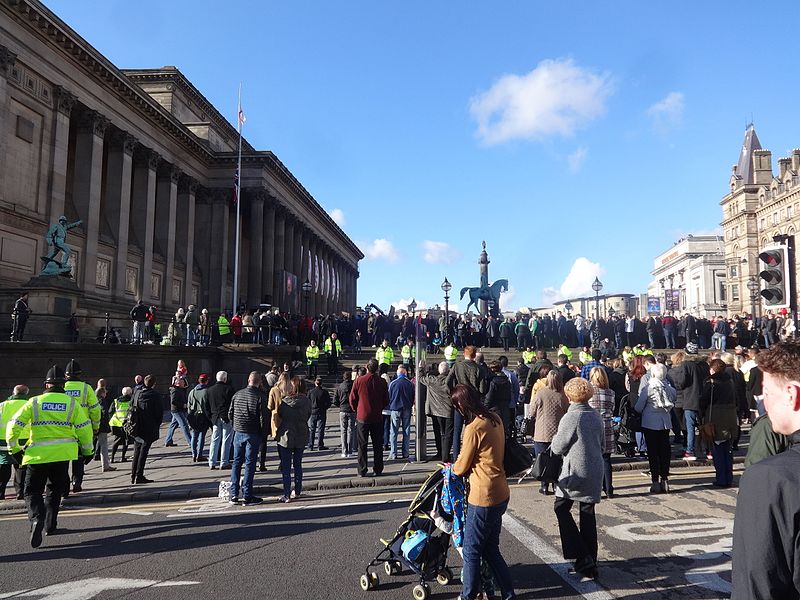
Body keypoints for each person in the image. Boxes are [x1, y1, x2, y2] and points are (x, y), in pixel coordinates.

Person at [732, 340, 800, 598]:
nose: (764, 402)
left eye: (767, 393)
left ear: (792, 395)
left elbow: (757, 586)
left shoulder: (771, 479)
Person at [7, 366, 93, 546]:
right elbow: (84, 429)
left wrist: (14, 449)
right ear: (63, 385)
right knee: (54, 491)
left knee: (32, 491)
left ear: (46, 384)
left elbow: (13, 427)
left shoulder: (34, 402)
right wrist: (87, 451)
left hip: (37, 456)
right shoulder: (71, 403)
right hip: (62, 456)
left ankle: (36, 519)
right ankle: (50, 525)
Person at [450, 384, 516, 600]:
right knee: (491, 549)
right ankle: (508, 594)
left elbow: (460, 467)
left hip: (483, 496)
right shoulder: (494, 419)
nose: (457, 409)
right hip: (501, 491)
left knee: (471, 551)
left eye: (456, 405)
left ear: (462, 404)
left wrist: (450, 467)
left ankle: (468, 596)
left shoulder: (473, 428)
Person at [550, 377, 604, 580]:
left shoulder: (572, 416)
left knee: (561, 507)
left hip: (576, 470)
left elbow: (558, 447)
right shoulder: (594, 414)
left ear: (569, 395)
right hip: (594, 468)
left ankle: (581, 554)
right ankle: (590, 562)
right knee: (588, 514)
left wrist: (555, 439)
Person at [634, 363, 677, 493]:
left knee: (653, 453)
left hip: (650, 423)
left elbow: (638, 407)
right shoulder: (669, 389)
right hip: (664, 423)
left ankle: (655, 482)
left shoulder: (648, 388)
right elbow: (674, 399)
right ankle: (665, 480)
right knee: (664, 452)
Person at [228, 371, 267, 505]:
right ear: (259, 382)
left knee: (236, 462)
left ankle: (234, 494)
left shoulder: (237, 394)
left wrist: (236, 426)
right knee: (250, 464)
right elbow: (263, 418)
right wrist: (263, 435)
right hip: (253, 433)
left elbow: (230, 413)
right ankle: (247, 495)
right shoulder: (260, 396)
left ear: (248, 380)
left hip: (238, 432)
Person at [700, 359, 739, 487]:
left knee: (717, 449)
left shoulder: (711, 382)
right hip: (731, 416)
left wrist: (700, 414)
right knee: (728, 449)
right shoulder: (731, 381)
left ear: (712, 369)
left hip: (716, 417)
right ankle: (728, 477)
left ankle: (721, 478)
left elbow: (703, 401)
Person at [63, 359, 100, 494]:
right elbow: (95, 409)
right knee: (79, 458)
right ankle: (77, 482)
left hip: (65, 429)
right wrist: (95, 426)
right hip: (82, 429)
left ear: (66, 375)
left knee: (64, 460)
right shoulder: (86, 388)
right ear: (80, 374)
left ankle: (65, 485)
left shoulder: (63, 387)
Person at [531, 371, 570, 495]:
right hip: (557, 431)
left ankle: (544, 486)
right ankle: (555, 484)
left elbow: (532, 412)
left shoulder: (541, 393)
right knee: (556, 459)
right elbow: (567, 411)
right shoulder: (562, 395)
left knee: (542, 459)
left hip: (541, 432)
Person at [349, 358, 389, 477]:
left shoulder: (359, 381)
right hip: (377, 416)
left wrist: (357, 409)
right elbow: (386, 399)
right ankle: (378, 469)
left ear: (367, 367)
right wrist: (379, 407)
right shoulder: (382, 381)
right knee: (377, 444)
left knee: (362, 445)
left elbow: (352, 398)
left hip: (362, 416)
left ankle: (362, 469)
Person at [446, 345, 486, 461]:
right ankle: (471, 453)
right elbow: (483, 389)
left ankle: (456, 457)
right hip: (473, 402)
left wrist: (452, 394)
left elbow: (448, 382)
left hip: (459, 401)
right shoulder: (479, 369)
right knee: (472, 429)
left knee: (457, 431)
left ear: (464, 354)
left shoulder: (457, 366)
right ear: (474, 355)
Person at [276, 376, 312, 503]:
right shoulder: (307, 401)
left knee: (286, 466)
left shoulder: (285, 402)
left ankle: (286, 494)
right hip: (301, 433)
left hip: (286, 435)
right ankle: (297, 491)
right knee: (298, 464)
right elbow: (308, 415)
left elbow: (280, 414)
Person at [129, 375, 162, 484]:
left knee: (137, 450)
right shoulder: (155, 395)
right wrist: (157, 424)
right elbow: (159, 413)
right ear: (153, 384)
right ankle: (139, 476)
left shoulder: (137, 393)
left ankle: (133, 475)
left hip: (137, 426)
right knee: (144, 451)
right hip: (149, 426)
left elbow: (131, 407)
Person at [588, 367, 615, 498]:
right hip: (607, 425)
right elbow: (612, 408)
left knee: (593, 459)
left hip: (593, 426)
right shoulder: (611, 393)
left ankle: (596, 488)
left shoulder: (589, 393)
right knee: (606, 459)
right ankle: (609, 489)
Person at [0, 385, 30, 500]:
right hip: (24, 442)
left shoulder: (2, 406)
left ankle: (1, 492)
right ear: (26, 393)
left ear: (14, 392)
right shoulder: (30, 405)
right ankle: (20, 492)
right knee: (21, 467)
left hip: (3, 442)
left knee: (3, 467)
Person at [420, 361, 453, 462]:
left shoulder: (433, 380)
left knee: (438, 433)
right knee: (448, 434)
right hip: (449, 411)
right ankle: (445, 455)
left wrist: (421, 368)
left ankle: (440, 452)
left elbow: (421, 378)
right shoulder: (451, 380)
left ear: (439, 370)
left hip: (436, 411)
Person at [206, 371, 234, 470]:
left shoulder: (210, 390)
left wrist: (211, 417)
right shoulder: (229, 389)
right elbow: (232, 405)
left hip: (215, 417)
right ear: (225, 379)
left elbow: (207, 406)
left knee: (215, 439)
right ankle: (224, 462)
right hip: (226, 417)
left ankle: (212, 462)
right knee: (226, 440)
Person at [388, 365, 414, 460]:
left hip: (395, 408)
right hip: (406, 408)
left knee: (394, 431)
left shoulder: (393, 383)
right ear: (405, 373)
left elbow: (389, 396)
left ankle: (393, 453)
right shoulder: (410, 384)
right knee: (406, 430)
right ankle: (405, 452)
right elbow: (412, 396)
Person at [187, 374, 212, 462]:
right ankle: (199, 455)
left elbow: (189, 406)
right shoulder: (207, 391)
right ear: (206, 381)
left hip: (193, 416)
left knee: (194, 436)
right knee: (202, 436)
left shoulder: (192, 391)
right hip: (203, 416)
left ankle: (193, 454)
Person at [484, 360, 513, 435]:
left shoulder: (492, 382)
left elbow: (489, 397)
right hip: (505, 408)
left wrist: (485, 408)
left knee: (494, 433)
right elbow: (509, 395)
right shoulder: (507, 380)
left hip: (494, 409)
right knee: (503, 431)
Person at [93, 378, 116, 472]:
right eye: (105, 392)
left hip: (93, 425)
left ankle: (81, 467)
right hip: (101, 426)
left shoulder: (93, 399)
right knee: (104, 446)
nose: (106, 394)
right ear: (102, 393)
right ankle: (105, 465)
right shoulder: (102, 400)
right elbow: (104, 412)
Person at [334, 369, 357, 458]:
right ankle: (350, 450)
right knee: (351, 430)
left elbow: (335, 400)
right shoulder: (353, 386)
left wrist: (340, 406)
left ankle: (344, 451)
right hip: (351, 410)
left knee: (343, 430)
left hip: (343, 410)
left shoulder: (339, 387)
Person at [165, 376, 191, 447]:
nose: (184, 383)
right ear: (178, 383)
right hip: (177, 410)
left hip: (179, 410)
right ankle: (190, 441)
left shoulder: (181, 389)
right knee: (184, 425)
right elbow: (173, 401)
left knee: (173, 425)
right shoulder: (175, 390)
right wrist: (183, 405)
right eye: (182, 382)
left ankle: (168, 440)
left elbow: (187, 385)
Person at [109, 387, 133, 463]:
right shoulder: (131, 401)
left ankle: (112, 458)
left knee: (116, 441)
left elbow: (110, 411)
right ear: (130, 393)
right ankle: (122, 457)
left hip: (115, 424)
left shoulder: (116, 401)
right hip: (126, 424)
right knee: (125, 440)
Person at [308, 376, 331, 451]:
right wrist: (325, 408)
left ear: (315, 383)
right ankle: (320, 445)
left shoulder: (311, 392)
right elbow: (329, 403)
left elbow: (307, 401)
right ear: (321, 384)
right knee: (321, 429)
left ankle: (310, 445)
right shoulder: (324, 392)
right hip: (321, 411)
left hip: (313, 412)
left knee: (312, 429)